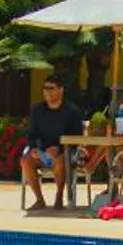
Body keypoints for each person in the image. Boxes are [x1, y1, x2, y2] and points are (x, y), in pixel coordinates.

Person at [20, 76, 79, 210]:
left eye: (51, 88)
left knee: (58, 161)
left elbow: (76, 138)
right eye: (45, 88)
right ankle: (39, 199)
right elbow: (31, 134)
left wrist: (59, 149)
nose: (47, 92)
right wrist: (34, 149)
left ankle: (59, 197)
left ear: (61, 90)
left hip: (64, 153)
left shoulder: (72, 112)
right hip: (42, 153)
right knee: (25, 161)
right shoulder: (37, 110)